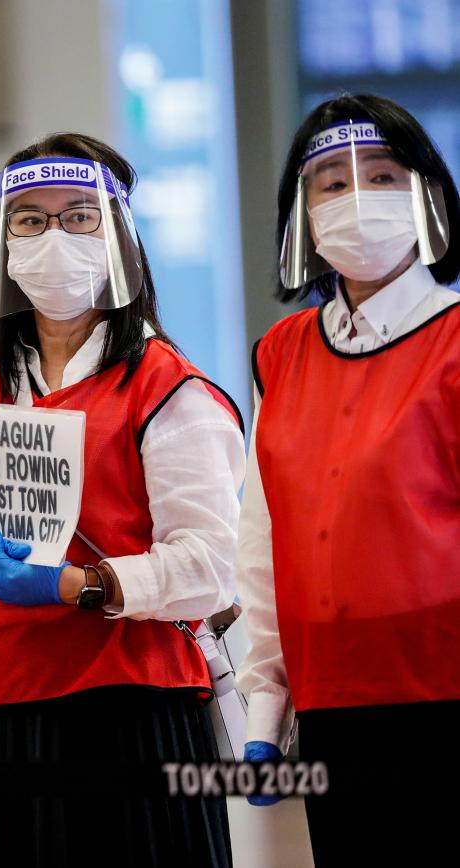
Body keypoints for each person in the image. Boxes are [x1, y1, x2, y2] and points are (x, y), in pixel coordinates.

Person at [0, 133, 243, 867]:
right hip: (5, 709)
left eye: (79, 216)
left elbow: (209, 566)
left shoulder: (168, 388)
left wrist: (80, 586)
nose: (53, 236)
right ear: (4, 244)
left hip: (139, 709)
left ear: (119, 237)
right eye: (29, 220)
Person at [236, 94, 460, 865]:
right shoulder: (281, 353)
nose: (357, 196)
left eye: (385, 174)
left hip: (444, 699)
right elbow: (263, 541)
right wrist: (264, 710)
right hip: (331, 704)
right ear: (301, 211)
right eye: (331, 181)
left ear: (427, 194)